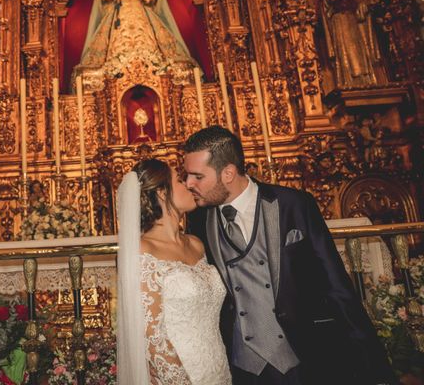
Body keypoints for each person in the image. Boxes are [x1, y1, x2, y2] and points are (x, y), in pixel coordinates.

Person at [182, 125, 396, 385]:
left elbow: (336, 284)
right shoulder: (198, 218)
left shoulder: (294, 204)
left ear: (228, 173)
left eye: (197, 176)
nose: (188, 184)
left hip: (301, 356)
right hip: (240, 364)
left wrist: (375, 366)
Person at [117, 158, 231, 384]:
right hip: (181, 375)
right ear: (161, 192)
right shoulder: (143, 250)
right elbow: (152, 337)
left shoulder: (196, 244)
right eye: (180, 180)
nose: (189, 184)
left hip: (220, 370)